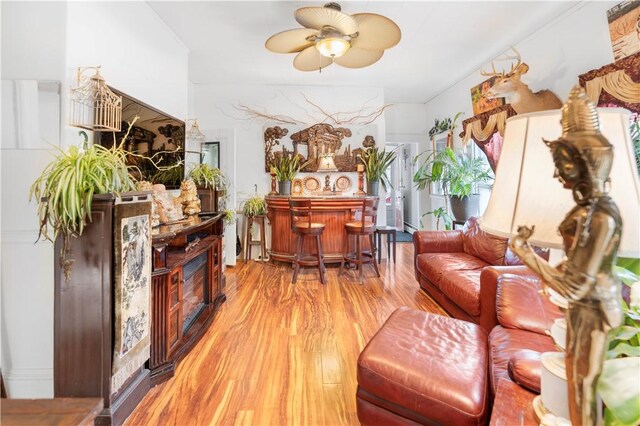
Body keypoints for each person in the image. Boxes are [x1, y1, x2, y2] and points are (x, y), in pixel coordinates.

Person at [509, 86, 623, 425]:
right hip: (582, 309)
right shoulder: (590, 211)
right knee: (577, 379)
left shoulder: (600, 215)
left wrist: (525, 253)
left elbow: (575, 283)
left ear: (584, 163)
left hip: (594, 310)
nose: (557, 174)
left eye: (563, 165)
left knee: (583, 383)